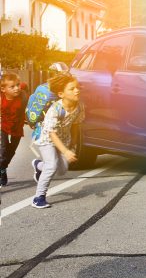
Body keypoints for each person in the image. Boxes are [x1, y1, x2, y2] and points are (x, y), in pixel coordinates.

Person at [31, 72, 85, 209]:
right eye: (72, 89)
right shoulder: (55, 109)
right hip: (47, 138)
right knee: (52, 166)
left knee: (62, 170)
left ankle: (39, 166)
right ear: (61, 94)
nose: (77, 90)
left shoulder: (79, 106)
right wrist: (65, 151)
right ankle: (39, 198)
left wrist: (73, 143)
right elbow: (51, 133)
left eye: (77, 87)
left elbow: (76, 124)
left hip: (64, 139)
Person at [0, 73, 26, 187]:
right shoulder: (1, 97)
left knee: (11, 152)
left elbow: (31, 110)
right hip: (3, 127)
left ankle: (2, 168)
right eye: (12, 87)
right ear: (3, 89)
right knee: (4, 150)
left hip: (17, 128)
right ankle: (1, 170)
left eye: (17, 85)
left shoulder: (23, 96)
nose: (17, 88)